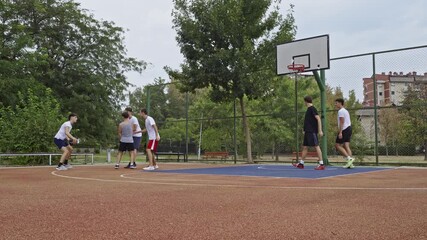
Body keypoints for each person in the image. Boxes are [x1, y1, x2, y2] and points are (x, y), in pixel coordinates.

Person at [293, 96, 325, 170]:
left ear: (306, 101)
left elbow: (318, 119)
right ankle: (301, 163)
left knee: (316, 146)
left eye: (304, 101)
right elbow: (308, 121)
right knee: (305, 147)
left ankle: (321, 164)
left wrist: (320, 130)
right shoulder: (308, 110)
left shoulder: (312, 109)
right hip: (307, 131)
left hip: (312, 131)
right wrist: (305, 129)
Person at [335, 98, 355, 168]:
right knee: (346, 146)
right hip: (349, 128)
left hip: (344, 129)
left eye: (336, 103)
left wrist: (340, 132)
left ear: (340, 103)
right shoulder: (346, 111)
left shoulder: (340, 111)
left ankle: (349, 159)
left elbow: (342, 122)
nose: (335, 104)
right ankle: (350, 163)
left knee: (337, 145)